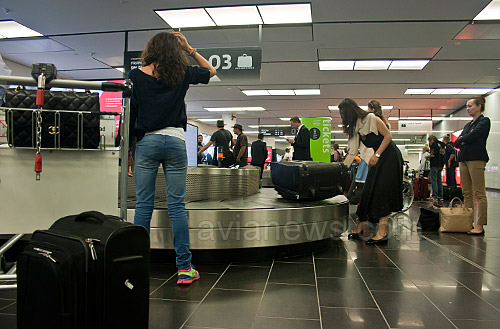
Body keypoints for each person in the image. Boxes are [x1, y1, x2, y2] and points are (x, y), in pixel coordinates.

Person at [128, 31, 216, 285]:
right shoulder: (182, 73)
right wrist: (190, 49)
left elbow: (132, 116)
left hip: (147, 142)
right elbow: (211, 71)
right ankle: (184, 268)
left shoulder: (136, 76)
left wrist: (131, 152)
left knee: (144, 205)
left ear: (151, 50)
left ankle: (136, 265)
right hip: (176, 141)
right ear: (174, 51)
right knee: (176, 205)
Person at [340, 98, 403, 245]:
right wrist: (341, 169)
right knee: (368, 191)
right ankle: (360, 228)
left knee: (382, 191)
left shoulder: (371, 118)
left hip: (389, 157)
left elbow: (388, 136)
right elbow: (352, 152)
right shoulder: (354, 127)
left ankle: (382, 233)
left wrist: (377, 154)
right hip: (377, 159)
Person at [455, 96, 490, 235]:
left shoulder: (484, 121)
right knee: (466, 192)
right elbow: (457, 142)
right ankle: (468, 222)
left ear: (479, 106)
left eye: (470, 106)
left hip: (476, 159)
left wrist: (465, 139)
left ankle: (479, 225)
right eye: (467, 106)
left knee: (479, 193)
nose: (468, 109)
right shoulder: (468, 125)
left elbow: (472, 137)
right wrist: (464, 139)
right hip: (464, 159)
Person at [427, 135, 444, 203]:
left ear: (431, 140)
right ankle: (440, 195)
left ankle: (435, 196)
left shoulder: (434, 145)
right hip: (441, 164)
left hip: (434, 164)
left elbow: (433, 154)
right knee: (439, 180)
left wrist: (427, 157)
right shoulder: (442, 145)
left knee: (434, 180)